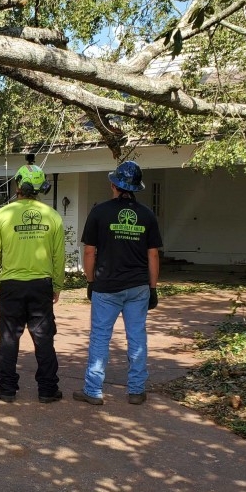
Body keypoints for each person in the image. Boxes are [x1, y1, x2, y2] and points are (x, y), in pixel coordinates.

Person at [73, 160, 162, 406]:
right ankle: (136, 391)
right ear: (136, 188)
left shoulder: (99, 212)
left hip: (106, 287)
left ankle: (93, 391)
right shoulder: (147, 215)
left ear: (114, 184)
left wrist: (90, 281)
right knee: (137, 337)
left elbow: (89, 252)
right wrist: (153, 288)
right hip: (138, 287)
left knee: (100, 337)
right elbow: (153, 255)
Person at [0, 161, 65, 404]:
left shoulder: (2, 215)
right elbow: (58, 256)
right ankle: (48, 390)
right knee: (44, 338)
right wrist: (57, 285)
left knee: (8, 337)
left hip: (11, 285)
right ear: (40, 188)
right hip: (41, 285)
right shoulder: (52, 216)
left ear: (18, 185)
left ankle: (7, 388)